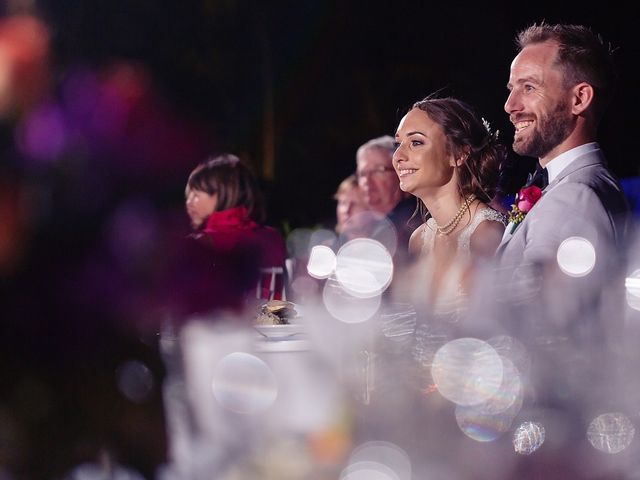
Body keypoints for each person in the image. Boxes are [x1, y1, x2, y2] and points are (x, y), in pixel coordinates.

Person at [391, 95, 507, 315]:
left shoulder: (486, 231)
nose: (398, 156)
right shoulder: (419, 239)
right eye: (398, 144)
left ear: (458, 155)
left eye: (416, 142)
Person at [356, 135, 420, 266]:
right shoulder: (366, 227)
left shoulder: (413, 222)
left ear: (400, 171)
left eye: (378, 170)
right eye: (362, 174)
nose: (367, 181)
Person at [333, 173, 370, 240]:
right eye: (343, 203)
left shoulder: (387, 246)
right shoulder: (331, 248)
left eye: (354, 204)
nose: (346, 210)